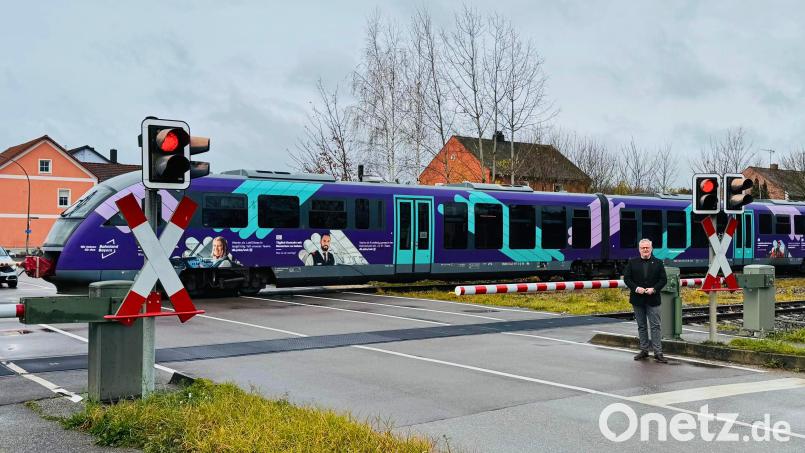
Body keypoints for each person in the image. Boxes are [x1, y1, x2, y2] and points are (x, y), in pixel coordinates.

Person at [623, 238, 668, 363]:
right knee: (641, 326)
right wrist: (636, 288)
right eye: (643, 248)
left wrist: (654, 289)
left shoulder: (658, 263)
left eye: (647, 247)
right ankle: (644, 350)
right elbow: (627, 279)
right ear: (639, 249)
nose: (645, 250)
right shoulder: (632, 262)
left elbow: (663, 280)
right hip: (637, 299)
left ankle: (658, 352)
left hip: (653, 298)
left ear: (651, 249)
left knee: (655, 326)